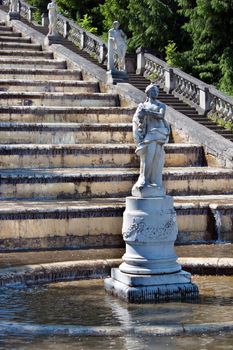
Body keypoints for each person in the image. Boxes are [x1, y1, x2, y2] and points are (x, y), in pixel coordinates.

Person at [132, 83, 170, 197]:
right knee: (148, 158)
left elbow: (160, 116)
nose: (156, 93)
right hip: (149, 134)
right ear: (148, 92)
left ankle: (154, 181)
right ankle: (144, 179)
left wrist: (147, 112)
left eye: (157, 92)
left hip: (160, 133)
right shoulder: (142, 106)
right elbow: (138, 118)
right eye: (154, 91)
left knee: (156, 159)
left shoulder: (161, 105)